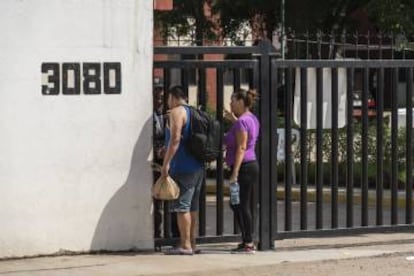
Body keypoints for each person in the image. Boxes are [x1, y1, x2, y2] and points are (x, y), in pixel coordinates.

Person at [161, 85, 204, 255]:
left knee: (182, 208)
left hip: (183, 166)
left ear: (172, 97)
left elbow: (176, 139)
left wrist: (166, 163)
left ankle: (185, 245)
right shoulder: (194, 112)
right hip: (197, 166)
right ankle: (192, 243)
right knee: (192, 208)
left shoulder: (176, 112)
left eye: (168, 98)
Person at [224, 88, 260, 254]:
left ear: (240, 102)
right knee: (237, 203)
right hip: (250, 166)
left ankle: (249, 243)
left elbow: (242, 146)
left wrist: (235, 172)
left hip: (243, 168)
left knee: (240, 204)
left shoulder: (241, 122)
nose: (230, 103)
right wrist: (234, 120)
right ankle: (247, 239)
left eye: (232, 100)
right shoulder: (250, 118)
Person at [152, 85, 179, 239]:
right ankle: (157, 235)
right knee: (158, 201)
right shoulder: (150, 116)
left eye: (162, 98)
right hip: (156, 163)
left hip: (171, 162)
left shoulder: (169, 115)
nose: (160, 100)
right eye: (157, 97)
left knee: (173, 198)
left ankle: (173, 236)